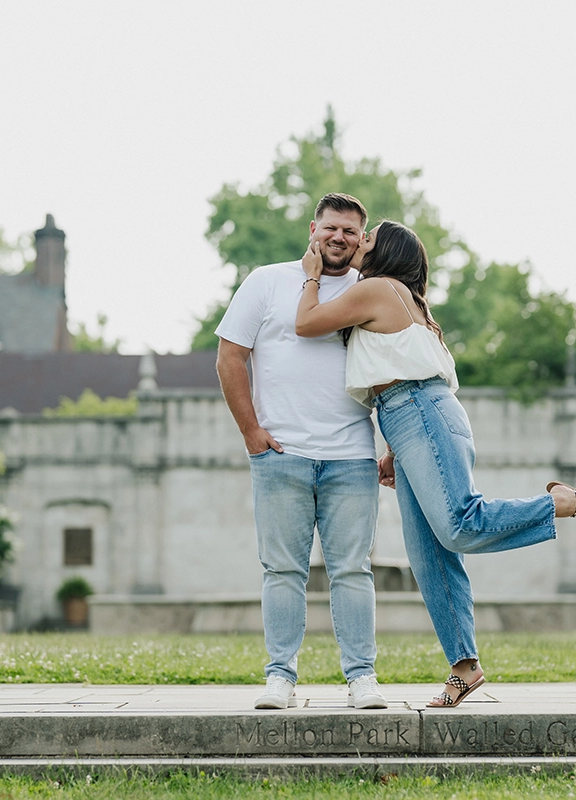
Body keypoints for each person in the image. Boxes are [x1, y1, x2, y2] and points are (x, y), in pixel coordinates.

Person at [295, 220, 576, 708]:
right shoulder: (403, 298)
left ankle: (554, 504)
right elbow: (398, 373)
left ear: (386, 252)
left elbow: (306, 323)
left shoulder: (379, 288)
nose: (357, 242)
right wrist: (395, 449)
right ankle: (464, 668)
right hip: (411, 418)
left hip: (420, 413)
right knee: (429, 555)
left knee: (459, 526)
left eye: (367, 237)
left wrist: (311, 276)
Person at [216, 193, 388, 710]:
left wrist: (393, 446)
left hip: (352, 457)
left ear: (362, 240)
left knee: (353, 570)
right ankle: (280, 678)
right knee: (282, 571)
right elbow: (229, 358)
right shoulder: (267, 281)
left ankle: (362, 679)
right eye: (331, 228)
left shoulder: (373, 291)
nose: (339, 238)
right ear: (313, 229)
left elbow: (398, 370)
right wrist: (252, 433)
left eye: (351, 232)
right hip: (281, 455)